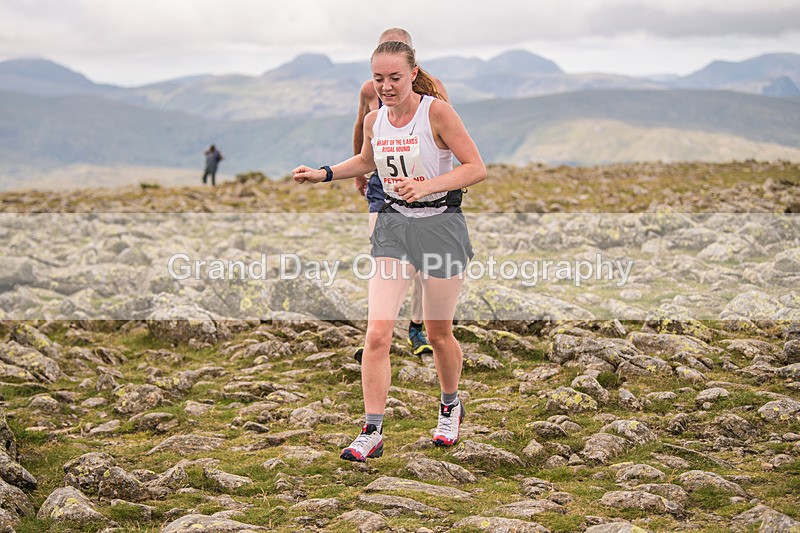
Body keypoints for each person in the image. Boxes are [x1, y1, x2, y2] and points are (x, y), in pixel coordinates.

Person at [293, 40, 486, 462]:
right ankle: (371, 430)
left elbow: (476, 168)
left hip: (440, 228)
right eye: (379, 79)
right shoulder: (375, 120)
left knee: (437, 333)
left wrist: (425, 187)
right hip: (394, 228)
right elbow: (365, 161)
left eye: (394, 78)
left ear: (413, 74)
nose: (386, 86)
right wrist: (323, 173)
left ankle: (451, 404)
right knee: (377, 332)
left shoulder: (436, 112)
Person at [353, 28, 450, 361]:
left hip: (423, 188)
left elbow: (444, 136)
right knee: (383, 258)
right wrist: (361, 171)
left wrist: (435, 184)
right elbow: (362, 127)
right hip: (382, 185)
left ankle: (416, 326)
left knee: (422, 267)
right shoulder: (369, 90)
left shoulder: (434, 90)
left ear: (411, 62)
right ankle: (377, 334)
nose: (386, 83)